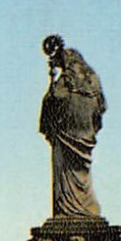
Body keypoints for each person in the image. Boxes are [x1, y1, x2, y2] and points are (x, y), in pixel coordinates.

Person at [39, 34, 106, 219]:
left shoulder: (66, 82)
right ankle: (85, 207)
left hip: (65, 137)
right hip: (84, 136)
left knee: (66, 174)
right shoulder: (92, 81)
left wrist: (51, 82)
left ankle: (69, 209)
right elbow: (101, 107)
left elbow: (52, 101)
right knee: (81, 174)